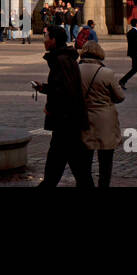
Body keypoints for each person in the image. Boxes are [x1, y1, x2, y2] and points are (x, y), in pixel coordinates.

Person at [34, 26, 92, 187]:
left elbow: (67, 90)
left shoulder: (61, 60)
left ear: (53, 40)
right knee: (76, 168)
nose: (44, 40)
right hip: (69, 122)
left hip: (65, 122)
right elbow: (62, 86)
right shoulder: (63, 58)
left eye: (46, 37)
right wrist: (44, 88)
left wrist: (51, 107)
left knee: (58, 166)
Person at [77, 41, 124, 188]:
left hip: (83, 119)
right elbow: (120, 97)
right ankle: (103, 186)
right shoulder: (106, 73)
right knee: (105, 161)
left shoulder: (75, 70)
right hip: (105, 121)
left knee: (85, 161)